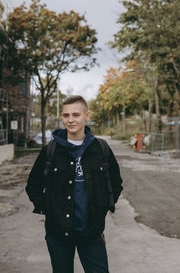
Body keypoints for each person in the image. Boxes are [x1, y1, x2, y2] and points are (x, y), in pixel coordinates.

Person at [26, 95, 123, 273]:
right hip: (58, 234)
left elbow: (116, 183)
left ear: (87, 115)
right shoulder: (51, 150)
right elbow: (33, 185)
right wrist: (48, 208)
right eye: (66, 115)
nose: (70, 120)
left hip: (92, 232)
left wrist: (103, 207)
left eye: (76, 115)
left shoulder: (101, 149)